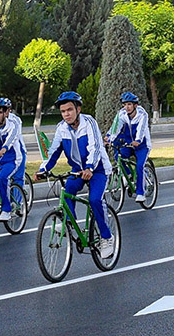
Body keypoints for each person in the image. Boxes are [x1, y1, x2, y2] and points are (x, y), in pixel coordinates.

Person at [35, 92, 116, 258]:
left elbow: (94, 148)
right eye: (63, 111)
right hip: (78, 171)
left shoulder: (89, 123)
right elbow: (53, 152)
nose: (66, 114)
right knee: (68, 190)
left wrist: (89, 168)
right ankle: (69, 221)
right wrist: (43, 169)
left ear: (78, 109)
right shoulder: (61, 128)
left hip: (98, 169)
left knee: (94, 199)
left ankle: (107, 237)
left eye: (70, 110)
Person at [109, 92, 152, 203]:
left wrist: (138, 140)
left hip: (142, 145)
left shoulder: (142, 114)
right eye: (124, 104)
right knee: (119, 155)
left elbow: (141, 130)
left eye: (129, 104)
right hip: (129, 144)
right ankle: (128, 174)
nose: (126, 107)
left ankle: (140, 193)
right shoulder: (122, 114)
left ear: (135, 105)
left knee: (139, 166)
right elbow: (115, 127)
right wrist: (109, 138)